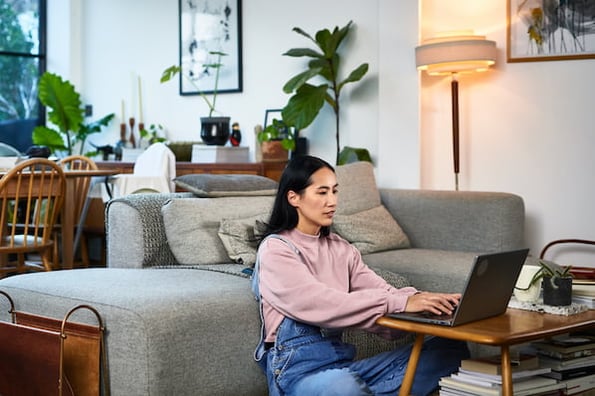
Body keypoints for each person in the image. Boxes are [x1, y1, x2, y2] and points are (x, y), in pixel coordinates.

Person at [252, 155, 469, 396]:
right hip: (297, 375)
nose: (332, 201)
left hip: (344, 369)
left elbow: (381, 291)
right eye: (322, 192)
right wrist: (399, 302)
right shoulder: (276, 249)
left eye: (335, 191)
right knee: (343, 386)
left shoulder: (340, 248)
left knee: (449, 351)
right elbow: (320, 303)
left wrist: (425, 302)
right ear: (294, 197)